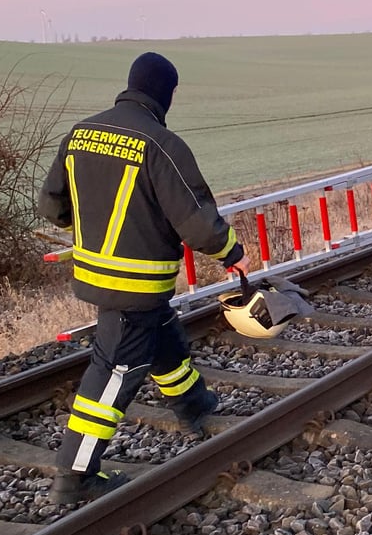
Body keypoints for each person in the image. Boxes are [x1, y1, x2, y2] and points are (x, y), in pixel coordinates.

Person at [38, 52, 251, 504]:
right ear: (166, 93)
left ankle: (193, 405)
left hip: (98, 274)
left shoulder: (80, 134)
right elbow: (195, 220)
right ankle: (73, 475)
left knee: (162, 336)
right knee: (114, 371)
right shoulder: (161, 145)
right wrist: (232, 252)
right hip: (134, 284)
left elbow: (53, 206)